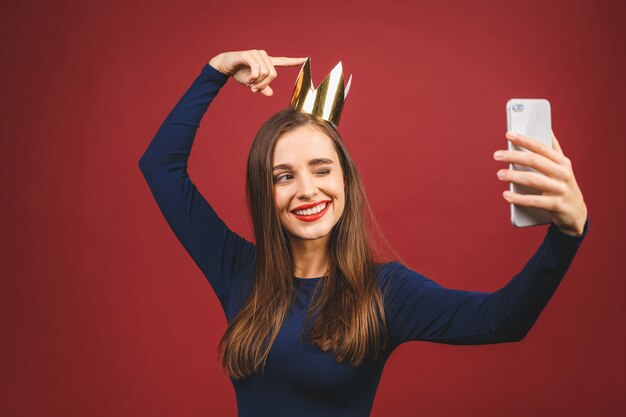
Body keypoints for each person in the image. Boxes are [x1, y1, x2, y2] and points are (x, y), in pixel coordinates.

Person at [138, 49, 589, 417]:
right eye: (283, 177)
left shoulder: (385, 293)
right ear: (265, 193)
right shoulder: (239, 270)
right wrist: (215, 70)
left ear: (346, 181)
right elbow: (160, 166)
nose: (307, 190)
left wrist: (567, 235)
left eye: (321, 169)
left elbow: (501, 321)